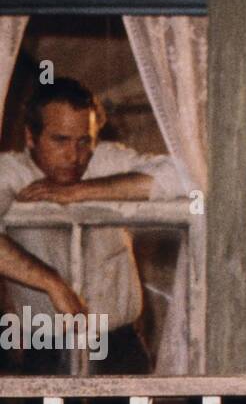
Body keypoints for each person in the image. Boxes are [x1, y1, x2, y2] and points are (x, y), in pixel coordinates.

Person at [0, 76, 185, 375]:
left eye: (84, 141)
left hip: (119, 343)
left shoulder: (105, 161)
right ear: (31, 137)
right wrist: (51, 282)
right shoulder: (11, 171)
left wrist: (80, 191)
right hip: (44, 346)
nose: (74, 156)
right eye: (60, 140)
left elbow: (183, 175)